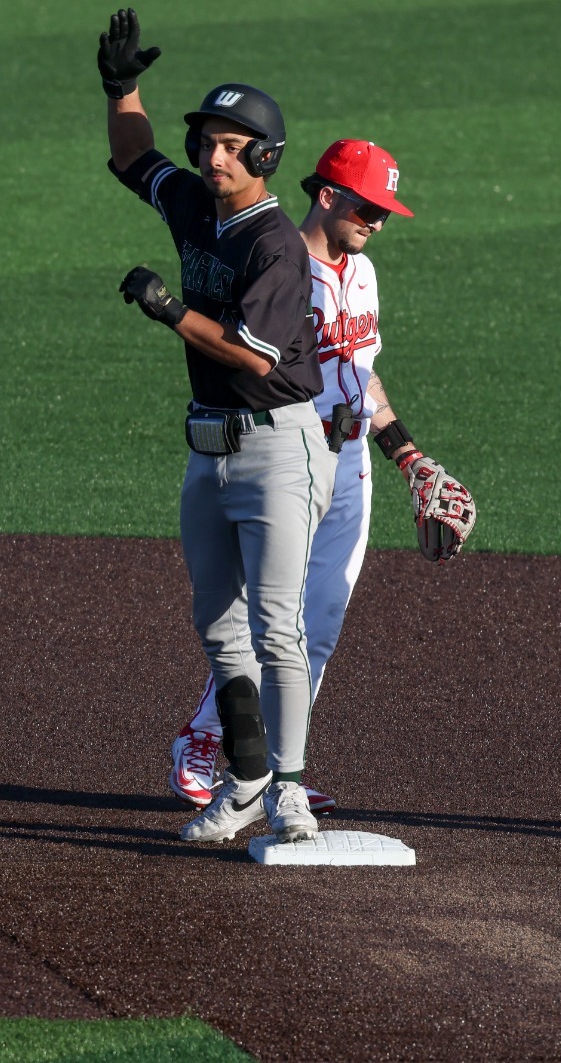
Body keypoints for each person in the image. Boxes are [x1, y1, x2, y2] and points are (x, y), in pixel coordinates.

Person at [167, 139, 473, 815]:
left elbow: (362, 378)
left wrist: (410, 458)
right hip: (288, 458)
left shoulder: (360, 273)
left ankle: (282, 774)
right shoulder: (280, 265)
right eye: (370, 208)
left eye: (387, 211)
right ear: (328, 196)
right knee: (264, 619)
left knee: (319, 625)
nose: (380, 222)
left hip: (352, 462)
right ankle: (204, 736)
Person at [97, 7, 334, 846]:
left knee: (277, 626)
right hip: (210, 449)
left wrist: (169, 312)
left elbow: (255, 356)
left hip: (279, 447)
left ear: (266, 158)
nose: (212, 155)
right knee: (217, 628)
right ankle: (244, 780)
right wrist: (123, 87)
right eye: (207, 141)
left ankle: (292, 792)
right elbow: (134, 159)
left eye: (232, 145)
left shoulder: (276, 243)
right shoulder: (196, 204)